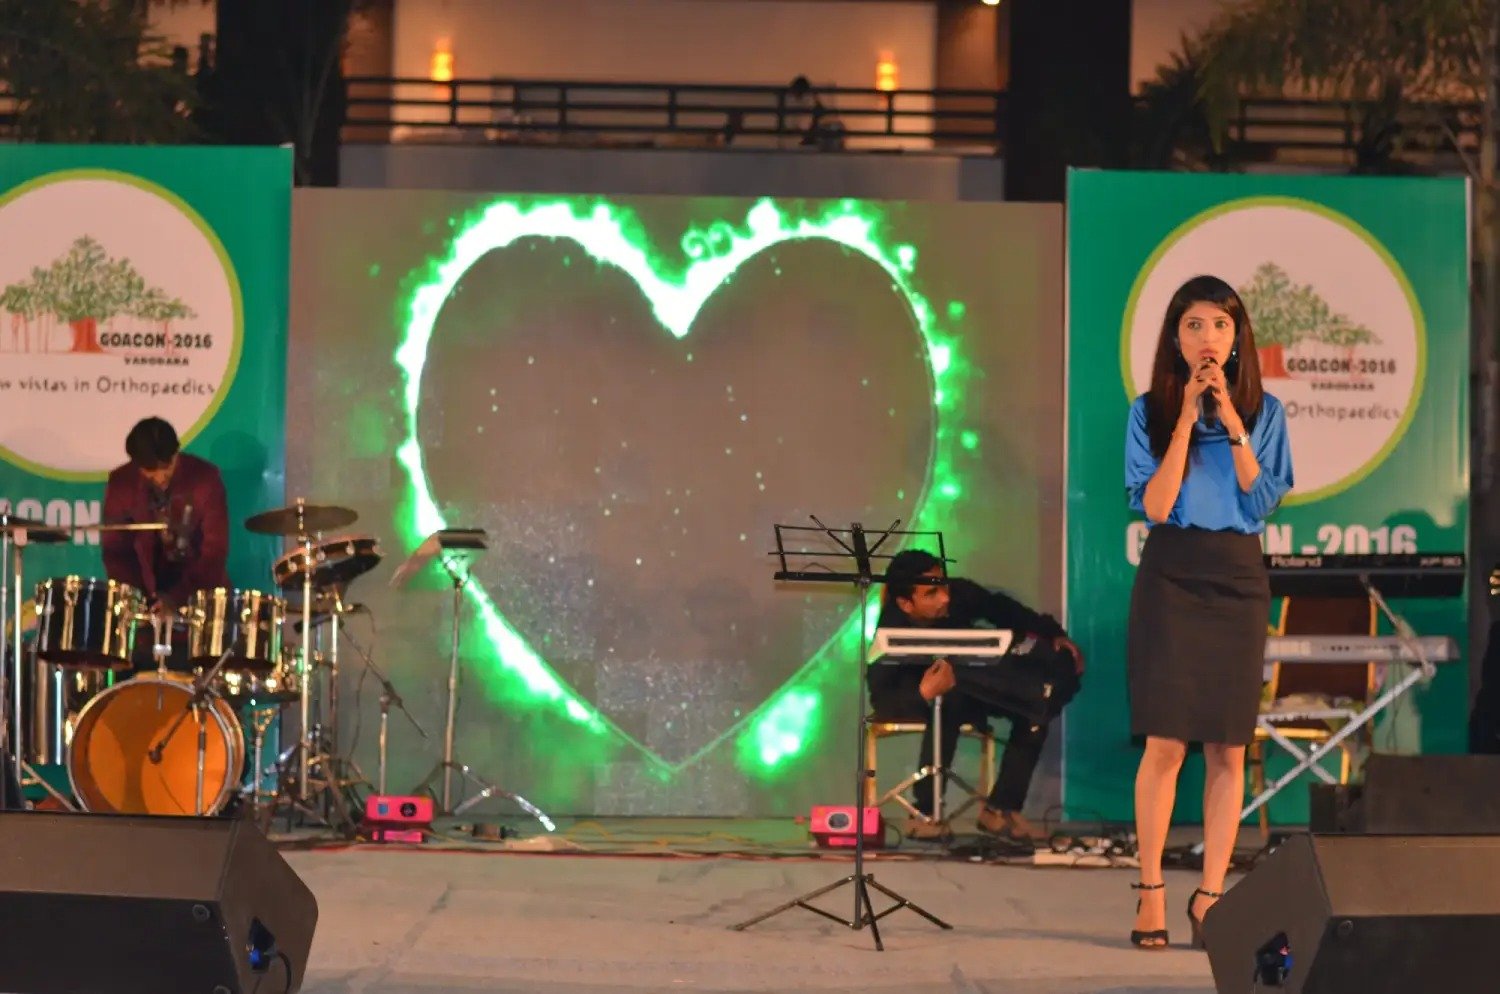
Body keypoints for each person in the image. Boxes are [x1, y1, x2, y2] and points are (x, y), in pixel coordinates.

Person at [1123, 275, 1293, 951]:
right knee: (1166, 743)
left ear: (1237, 337)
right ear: (1175, 337)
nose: (1208, 339)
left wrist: (1233, 424)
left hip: (1237, 577)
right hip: (1171, 573)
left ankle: (1212, 894)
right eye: (1194, 326)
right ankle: (1152, 892)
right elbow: (1156, 505)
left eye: (1220, 327)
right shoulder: (1150, 411)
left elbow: (1261, 503)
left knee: (1228, 745)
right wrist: (1189, 422)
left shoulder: (1266, 411)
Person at [869, 549, 1084, 842]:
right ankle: (925, 812)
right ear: (906, 603)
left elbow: (1004, 609)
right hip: (925, 698)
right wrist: (923, 692)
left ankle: (1000, 810)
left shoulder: (958, 594)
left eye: (943, 585)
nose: (944, 597)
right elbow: (882, 700)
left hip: (975, 686)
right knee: (953, 702)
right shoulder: (891, 628)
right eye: (931, 593)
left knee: (1038, 705)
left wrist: (1053, 633)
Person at [102, 417, 230, 629]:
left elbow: (214, 553)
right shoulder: (122, 483)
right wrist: (137, 601)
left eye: (167, 468)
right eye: (150, 472)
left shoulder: (205, 478)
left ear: (176, 454)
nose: (160, 478)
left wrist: (174, 599)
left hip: (199, 609)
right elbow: (116, 551)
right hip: (142, 614)